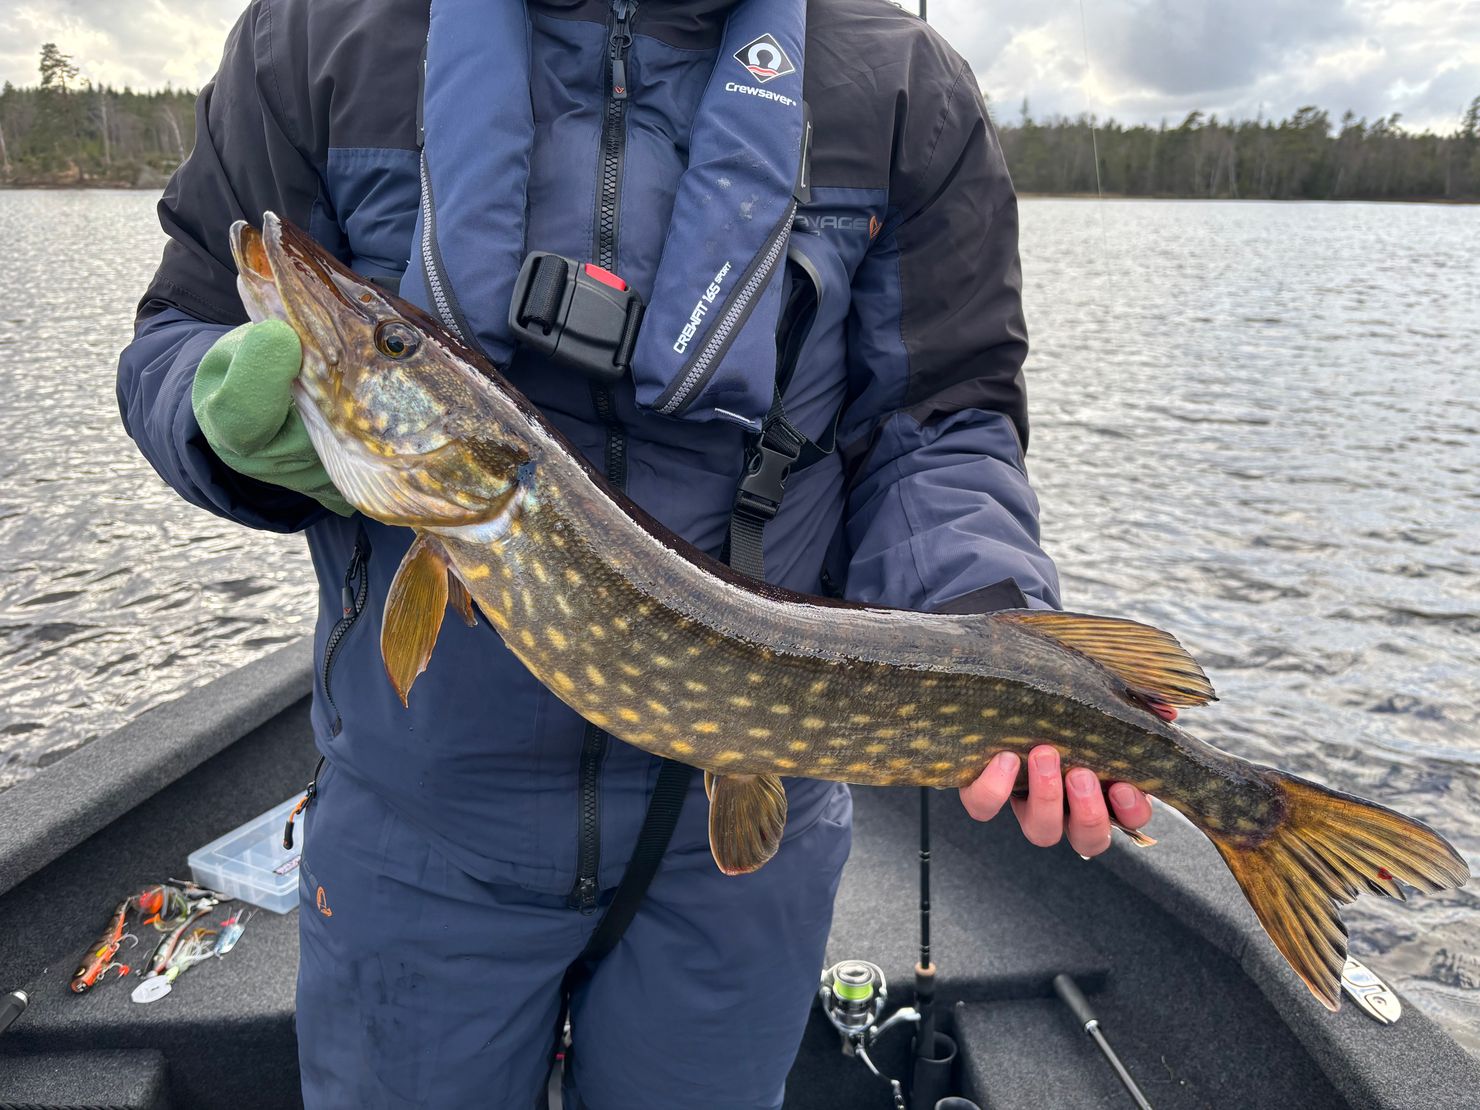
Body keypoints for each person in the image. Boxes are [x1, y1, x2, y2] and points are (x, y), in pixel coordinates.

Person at [116, 0, 1152, 1106]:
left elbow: (937, 422)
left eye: (389, 344)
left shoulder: (900, 87)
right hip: (418, 831)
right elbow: (179, 327)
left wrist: (982, 613)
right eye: (394, 346)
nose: (344, 322)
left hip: (746, 849)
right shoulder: (319, 37)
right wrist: (212, 417)